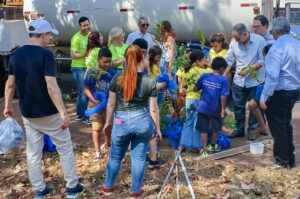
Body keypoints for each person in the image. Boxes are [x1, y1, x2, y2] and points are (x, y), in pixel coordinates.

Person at [3, 19, 83, 199]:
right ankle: (72, 186)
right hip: (49, 113)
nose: (50, 39)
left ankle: (39, 189)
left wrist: (8, 106)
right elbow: (51, 86)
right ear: (44, 35)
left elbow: (10, 85)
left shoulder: (15, 55)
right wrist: (63, 112)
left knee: (33, 151)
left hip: (28, 113)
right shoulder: (46, 55)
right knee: (65, 148)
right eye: (50, 35)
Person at [100, 45, 161, 197]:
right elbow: (153, 109)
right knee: (139, 158)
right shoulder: (150, 82)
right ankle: (135, 191)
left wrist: (108, 122)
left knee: (115, 156)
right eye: (147, 58)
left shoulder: (117, 78)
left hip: (120, 122)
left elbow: (111, 104)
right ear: (141, 60)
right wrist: (157, 128)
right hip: (142, 122)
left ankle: (107, 187)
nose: (149, 60)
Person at [260, 17, 300, 169]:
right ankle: (289, 158)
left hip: (280, 92)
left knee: (278, 128)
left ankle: (281, 161)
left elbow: (272, 77)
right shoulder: (297, 45)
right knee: (285, 124)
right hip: (294, 90)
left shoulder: (276, 48)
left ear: (275, 31)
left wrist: (264, 97)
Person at [225, 23, 267, 140]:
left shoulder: (260, 41)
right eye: (235, 39)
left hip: (255, 81)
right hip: (239, 81)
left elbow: (262, 60)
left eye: (238, 38)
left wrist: (249, 69)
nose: (237, 41)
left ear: (245, 34)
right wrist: (223, 76)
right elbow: (229, 61)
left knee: (253, 107)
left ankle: (252, 130)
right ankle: (239, 130)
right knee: (238, 107)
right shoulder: (234, 44)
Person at [84, 48, 116, 160]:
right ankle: (97, 150)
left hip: (108, 106)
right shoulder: (91, 72)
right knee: (96, 128)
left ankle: (108, 144)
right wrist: (93, 99)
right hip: (95, 106)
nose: (107, 64)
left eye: (109, 62)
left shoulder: (112, 73)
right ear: (98, 60)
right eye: (105, 62)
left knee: (108, 127)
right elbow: (86, 88)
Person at [194, 57, 229, 157]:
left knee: (203, 129)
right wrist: (222, 109)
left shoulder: (204, 76)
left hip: (203, 107)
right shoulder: (223, 79)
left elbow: (196, 88)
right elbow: (223, 96)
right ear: (222, 68)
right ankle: (212, 144)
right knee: (216, 126)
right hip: (215, 108)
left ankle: (204, 151)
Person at [179, 50, 213, 151]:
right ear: (197, 61)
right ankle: (198, 146)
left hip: (189, 99)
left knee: (188, 121)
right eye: (203, 60)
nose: (205, 62)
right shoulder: (205, 71)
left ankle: (182, 145)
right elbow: (217, 71)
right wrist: (209, 64)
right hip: (200, 99)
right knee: (199, 123)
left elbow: (183, 84)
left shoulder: (186, 70)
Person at [247, 44, 272, 141]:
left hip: (273, 92)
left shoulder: (275, 64)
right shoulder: (267, 63)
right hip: (264, 89)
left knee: (274, 116)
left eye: (263, 55)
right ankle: (262, 126)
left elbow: (274, 79)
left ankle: (278, 144)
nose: (263, 58)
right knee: (252, 104)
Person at [70, 16, 91, 124]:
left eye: (88, 25)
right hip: (78, 67)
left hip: (88, 66)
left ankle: (79, 114)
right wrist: (85, 54)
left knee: (82, 92)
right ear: (80, 26)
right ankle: (85, 116)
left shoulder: (90, 35)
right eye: (84, 26)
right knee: (83, 91)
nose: (86, 27)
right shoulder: (76, 38)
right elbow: (73, 55)